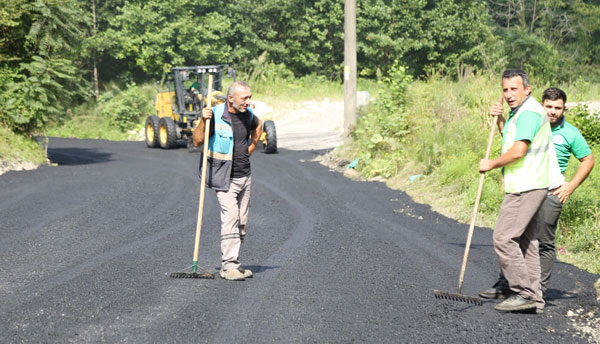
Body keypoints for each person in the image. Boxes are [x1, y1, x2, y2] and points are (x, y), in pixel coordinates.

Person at [479, 87, 595, 301]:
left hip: (551, 192)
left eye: (557, 108)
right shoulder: (532, 122)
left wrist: (570, 186)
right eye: (548, 106)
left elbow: (588, 159)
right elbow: (512, 141)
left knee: (543, 242)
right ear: (541, 105)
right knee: (514, 237)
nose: (552, 112)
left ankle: (536, 290)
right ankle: (508, 284)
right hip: (526, 187)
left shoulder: (570, 133)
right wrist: (499, 119)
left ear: (564, 109)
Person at [478, 69, 561, 313]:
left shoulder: (528, 113)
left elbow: (518, 151)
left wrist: (490, 164)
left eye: (514, 89)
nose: (509, 94)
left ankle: (523, 293)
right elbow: (513, 140)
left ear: (527, 88)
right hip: (529, 183)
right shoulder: (523, 112)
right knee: (528, 243)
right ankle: (535, 299)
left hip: (526, 186)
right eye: (505, 90)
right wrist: (502, 119)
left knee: (503, 238)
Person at [192, 80, 262, 281]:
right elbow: (197, 140)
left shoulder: (248, 115)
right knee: (231, 217)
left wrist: (252, 147)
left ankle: (235, 263)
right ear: (231, 99)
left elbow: (259, 126)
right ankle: (228, 266)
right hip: (224, 178)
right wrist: (203, 121)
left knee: (242, 223)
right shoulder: (214, 114)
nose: (248, 101)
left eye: (249, 97)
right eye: (244, 98)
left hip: (245, 176)